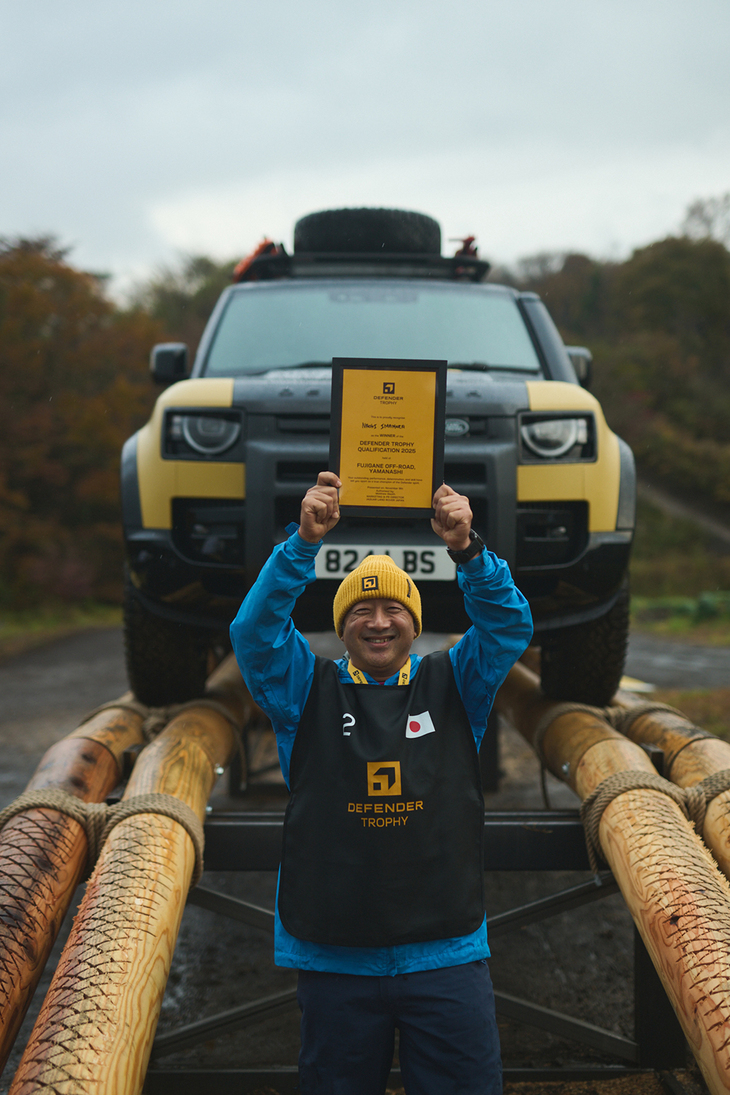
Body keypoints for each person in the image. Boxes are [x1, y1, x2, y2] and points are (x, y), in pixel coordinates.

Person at [230, 471, 533, 1095]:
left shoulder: (457, 684)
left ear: (414, 623)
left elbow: (507, 627)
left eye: (394, 607)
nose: (378, 622)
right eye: (361, 609)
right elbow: (254, 636)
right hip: (336, 955)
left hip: (445, 954)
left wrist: (468, 551)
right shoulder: (304, 689)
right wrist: (301, 546)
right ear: (341, 626)